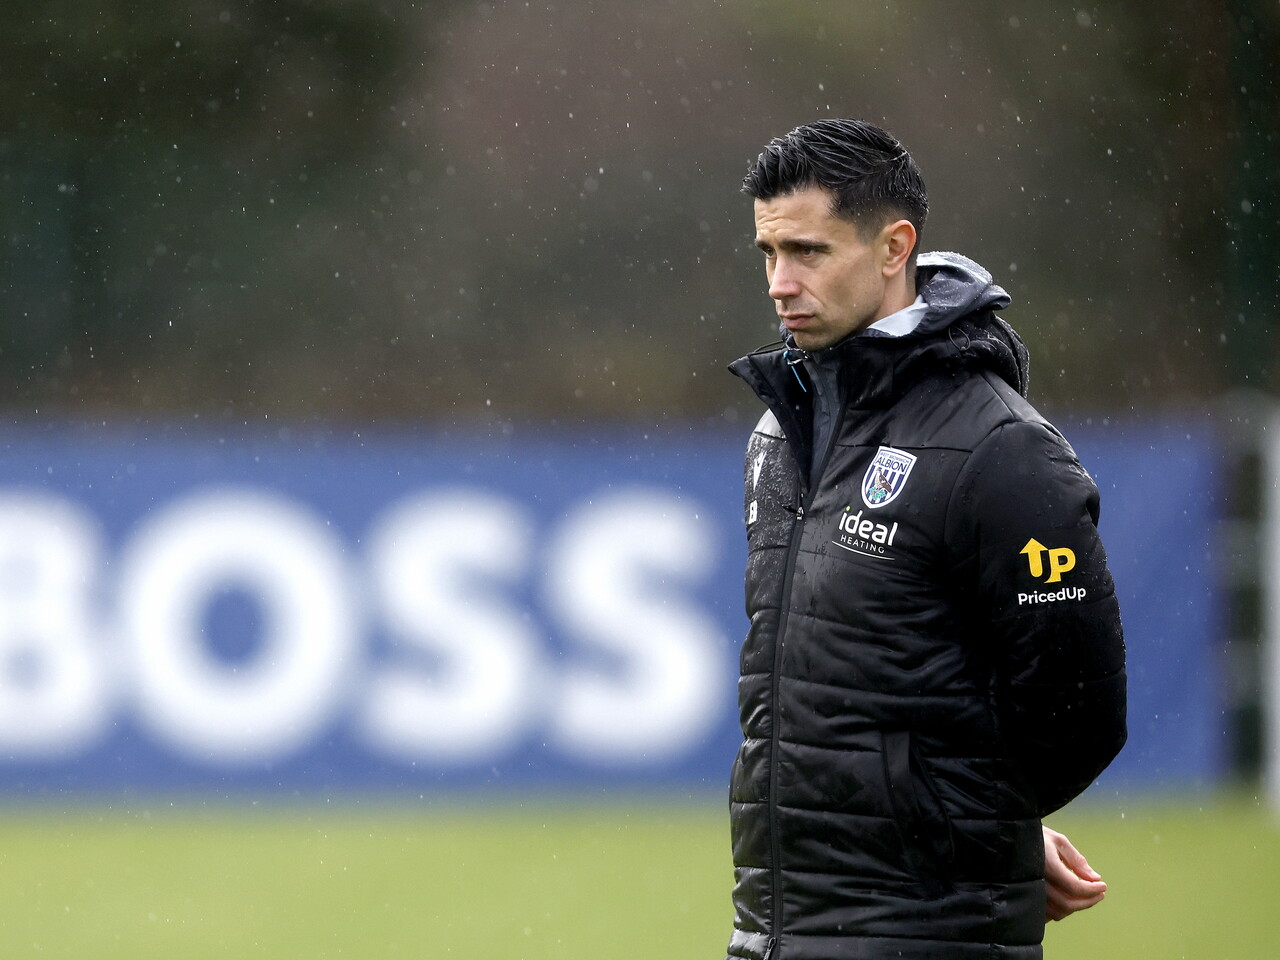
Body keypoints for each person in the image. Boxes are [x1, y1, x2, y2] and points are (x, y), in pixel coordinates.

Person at [725, 119, 1127, 960]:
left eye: (807, 251)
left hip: (926, 936)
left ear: (893, 247)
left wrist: (970, 828)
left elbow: (1079, 709)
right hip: (775, 931)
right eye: (768, 253)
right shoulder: (779, 433)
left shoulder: (999, 448)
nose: (779, 281)